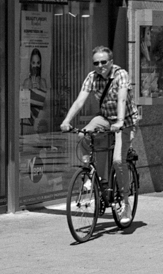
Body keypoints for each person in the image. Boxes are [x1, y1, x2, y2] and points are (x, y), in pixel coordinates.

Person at [58, 46, 135, 186]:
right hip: (105, 118)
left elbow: (122, 99)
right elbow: (79, 101)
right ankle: (90, 169)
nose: (100, 66)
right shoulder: (92, 77)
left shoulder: (121, 74)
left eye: (103, 62)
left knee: (118, 161)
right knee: (83, 135)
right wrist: (66, 121)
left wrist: (119, 122)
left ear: (111, 61)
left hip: (125, 121)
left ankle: (124, 197)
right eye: (96, 63)